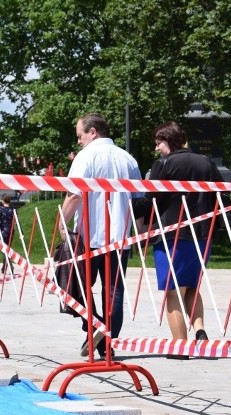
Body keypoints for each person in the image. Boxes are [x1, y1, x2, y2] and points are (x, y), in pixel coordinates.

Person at [132, 121, 221, 360]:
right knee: (192, 286)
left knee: (172, 292)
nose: (157, 148)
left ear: (168, 140)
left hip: (172, 234)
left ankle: (180, 347)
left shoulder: (163, 164)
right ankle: (200, 330)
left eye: (158, 142)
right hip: (203, 234)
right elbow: (221, 194)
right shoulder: (206, 162)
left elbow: (152, 199)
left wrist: (130, 207)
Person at [59, 112, 141, 359]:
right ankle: (106, 341)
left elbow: (74, 194)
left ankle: (94, 326)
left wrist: (62, 223)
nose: (78, 141)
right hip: (120, 236)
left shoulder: (86, 157)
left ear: (92, 132)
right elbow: (139, 199)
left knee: (79, 287)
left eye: (80, 135)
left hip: (90, 234)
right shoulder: (128, 159)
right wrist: (139, 231)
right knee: (114, 290)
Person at [0, 193, 16, 274]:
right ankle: (4, 267)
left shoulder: (0, 209)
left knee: (4, 249)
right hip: (11, 231)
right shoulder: (13, 210)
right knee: (7, 248)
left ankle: (10, 265)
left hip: (3, 231)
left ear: (2, 201)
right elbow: (15, 221)